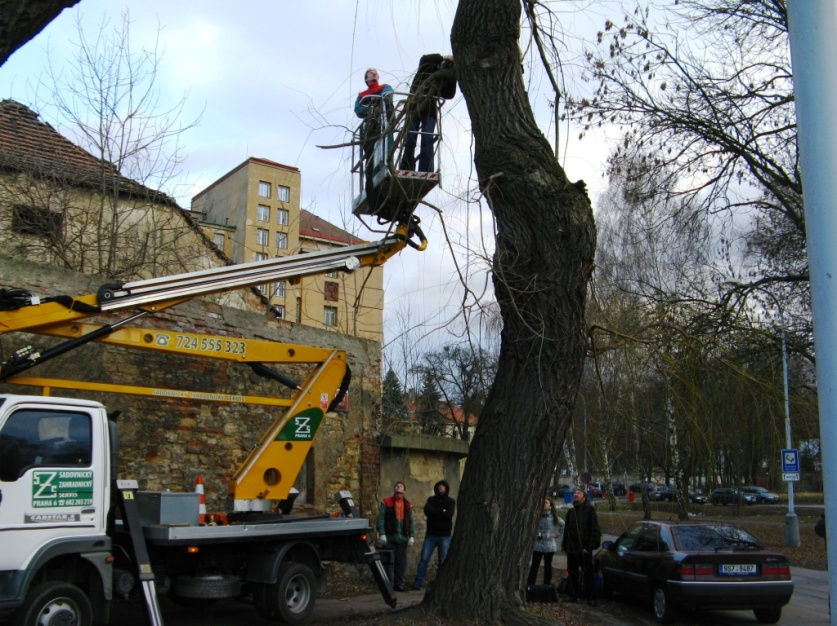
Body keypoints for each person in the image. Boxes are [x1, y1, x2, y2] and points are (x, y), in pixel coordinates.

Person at [399, 53, 456, 172]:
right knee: (410, 138)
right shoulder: (426, 67)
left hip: (430, 110)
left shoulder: (446, 77)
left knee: (427, 138)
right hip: (414, 106)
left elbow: (449, 94)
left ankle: (425, 170)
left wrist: (450, 75)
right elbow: (425, 58)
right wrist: (445, 58)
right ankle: (406, 167)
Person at [354, 68, 394, 209]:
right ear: (366, 78)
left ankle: (391, 182)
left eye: (375, 72)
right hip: (370, 130)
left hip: (383, 126)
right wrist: (371, 108)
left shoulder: (385, 87)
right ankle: (372, 198)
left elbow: (388, 97)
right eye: (371, 73)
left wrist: (375, 104)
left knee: (388, 154)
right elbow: (358, 110)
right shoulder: (361, 96)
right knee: (369, 165)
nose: (374, 73)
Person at [412, 479, 456, 590]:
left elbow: (449, 515)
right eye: (439, 487)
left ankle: (442, 585)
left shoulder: (451, 501)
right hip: (431, 534)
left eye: (443, 487)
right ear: (436, 488)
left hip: (444, 535)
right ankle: (418, 584)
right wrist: (442, 511)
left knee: (443, 561)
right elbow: (427, 511)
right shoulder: (431, 499)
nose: (441, 488)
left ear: (446, 489)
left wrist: (436, 511)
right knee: (424, 559)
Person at [561, 487, 601, 605]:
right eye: (575, 493)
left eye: (578, 493)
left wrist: (588, 547)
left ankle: (591, 597)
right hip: (571, 548)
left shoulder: (589, 510)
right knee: (572, 573)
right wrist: (565, 545)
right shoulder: (571, 512)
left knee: (588, 573)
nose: (575, 494)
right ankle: (574, 595)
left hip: (584, 549)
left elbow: (595, 531)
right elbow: (567, 530)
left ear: (584, 496)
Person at [377, 481, 415, 591]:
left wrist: (411, 536)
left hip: (402, 538)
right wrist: (382, 534)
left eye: (401, 487)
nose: (398, 488)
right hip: (390, 538)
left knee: (401, 563)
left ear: (404, 491)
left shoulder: (408, 505)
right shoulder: (386, 502)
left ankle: (400, 584)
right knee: (389, 563)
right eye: (397, 487)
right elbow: (381, 519)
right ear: (394, 490)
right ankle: (390, 585)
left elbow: (411, 521)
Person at [527, 497, 563, 588]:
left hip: (549, 546)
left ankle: (547, 586)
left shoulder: (554, 518)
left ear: (550, 506)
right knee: (534, 566)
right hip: (538, 545)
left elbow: (562, 525)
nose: (544, 504)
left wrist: (555, 534)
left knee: (548, 566)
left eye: (546, 502)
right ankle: (530, 585)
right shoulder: (537, 516)